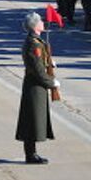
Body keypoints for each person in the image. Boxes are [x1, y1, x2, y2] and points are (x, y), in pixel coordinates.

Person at [15, 12, 58, 164]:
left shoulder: (36, 41)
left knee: (34, 120)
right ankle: (30, 154)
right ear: (34, 25)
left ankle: (32, 153)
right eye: (40, 21)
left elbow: (40, 63)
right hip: (34, 86)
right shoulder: (33, 43)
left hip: (36, 85)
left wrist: (49, 63)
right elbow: (37, 70)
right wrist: (51, 82)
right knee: (31, 121)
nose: (43, 23)